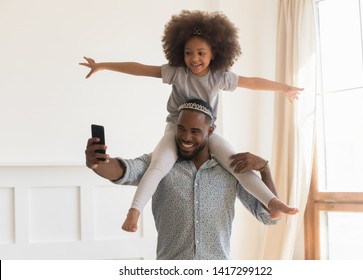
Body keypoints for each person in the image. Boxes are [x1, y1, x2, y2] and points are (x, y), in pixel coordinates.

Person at [80, 10, 301, 232]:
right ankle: (134, 212)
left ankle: (273, 203)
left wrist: (284, 89)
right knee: (158, 166)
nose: (194, 59)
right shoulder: (178, 73)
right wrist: (103, 65)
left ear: (214, 54)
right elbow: (140, 69)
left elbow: (252, 82)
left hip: (208, 134)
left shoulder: (219, 77)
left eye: (200, 53)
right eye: (188, 53)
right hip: (174, 129)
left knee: (236, 164)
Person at [85, 99, 283, 260]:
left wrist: (265, 170)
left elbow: (269, 216)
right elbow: (124, 170)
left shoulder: (230, 171)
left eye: (195, 131)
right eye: (181, 129)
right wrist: (98, 164)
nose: (186, 137)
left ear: (210, 131)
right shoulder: (159, 165)